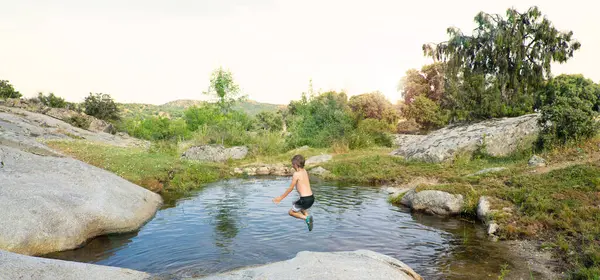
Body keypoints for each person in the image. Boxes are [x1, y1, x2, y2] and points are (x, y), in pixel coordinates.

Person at [272, 154, 314, 231]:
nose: (292, 166)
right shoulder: (304, 171)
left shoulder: (296, 174)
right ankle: (308, 219)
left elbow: (290, 188)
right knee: (297, 204)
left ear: (295, 164)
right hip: (311, 198)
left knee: (291, 212)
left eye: (292, 164)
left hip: (304, 199)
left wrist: (280, 198)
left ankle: (306, 218)